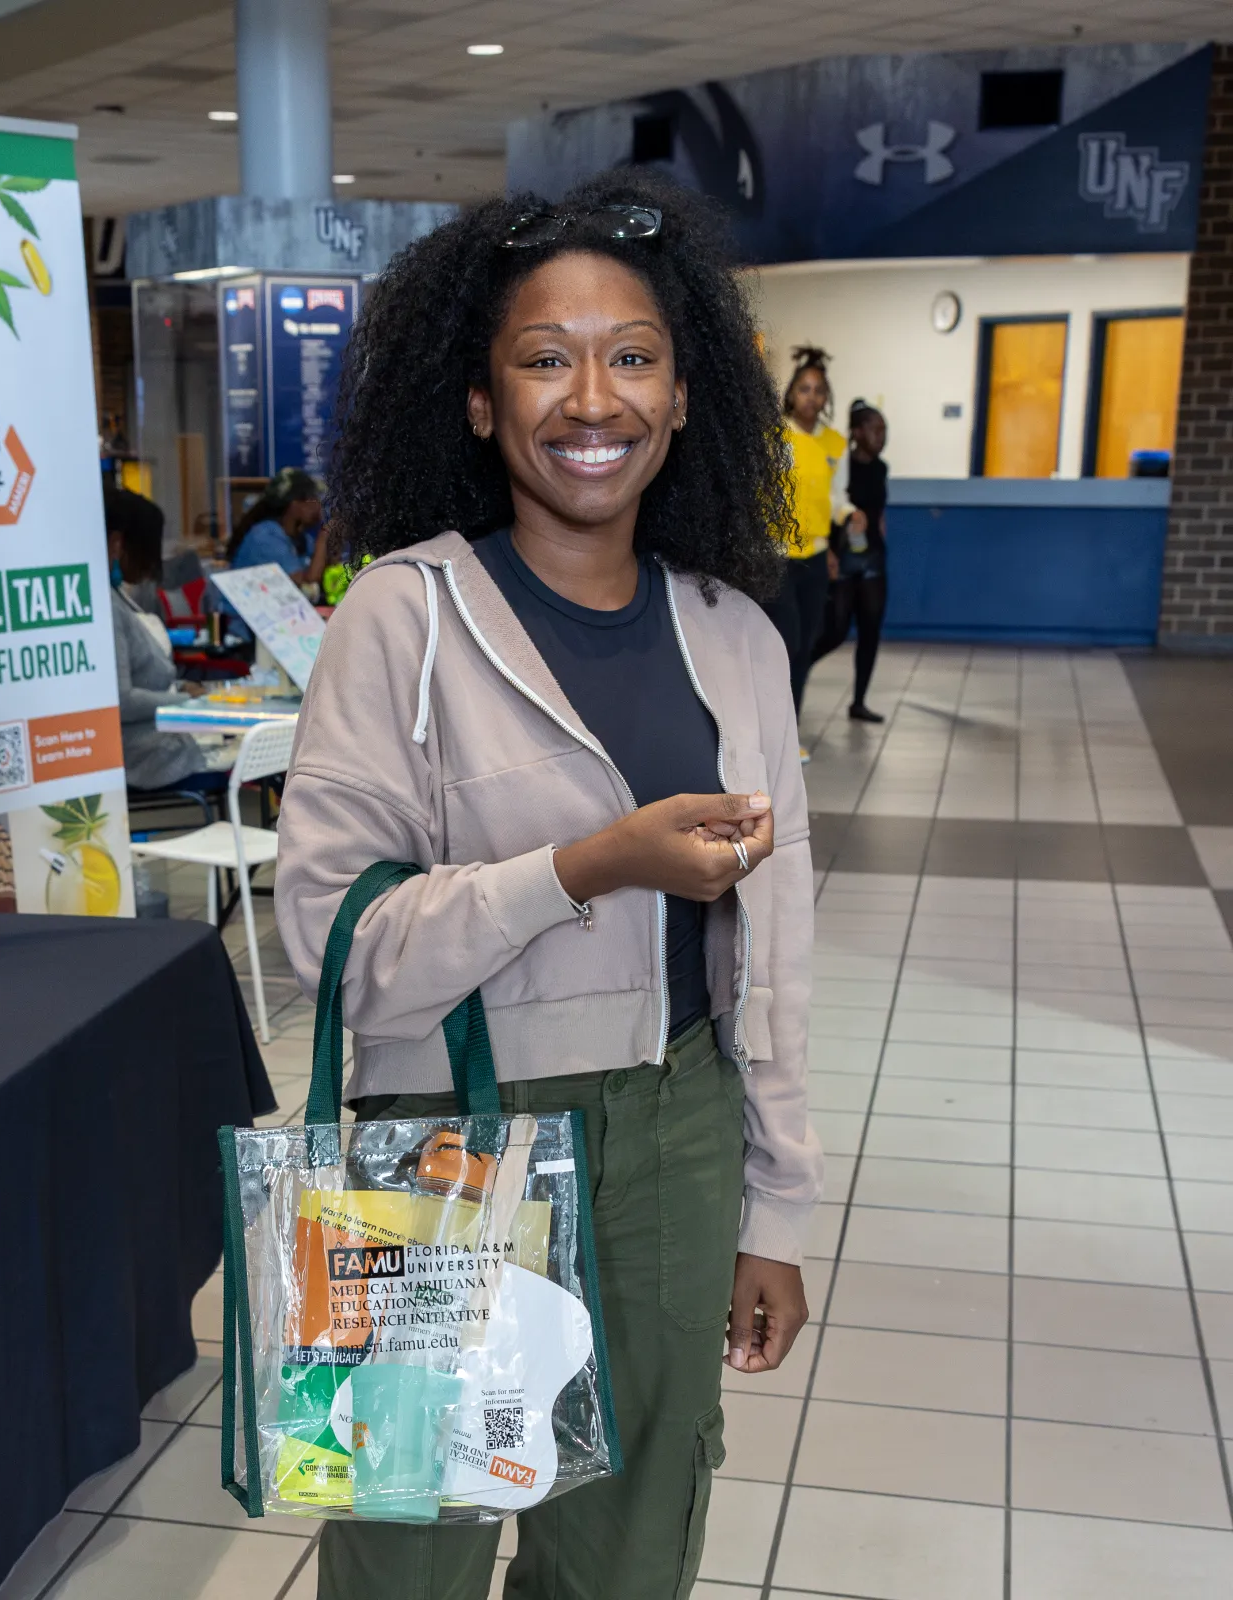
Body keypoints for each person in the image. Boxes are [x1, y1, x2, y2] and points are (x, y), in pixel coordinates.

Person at [275, 172, 820, 1600]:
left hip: (675, 1134)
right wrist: (585, 868)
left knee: (633, 1537)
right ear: (477, 402)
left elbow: (779, 954)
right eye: (545, 357)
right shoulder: (404, 615)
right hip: (444, 1132)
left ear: (687, 398)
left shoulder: (738, 642)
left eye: (633, 355)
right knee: (413, 1545)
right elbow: (334, 942)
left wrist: (777, 1211)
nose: (594, 397)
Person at [765, 346, 859, 753]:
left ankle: (790, 735)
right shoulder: (776, 437)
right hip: (776, 555)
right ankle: (771, 734)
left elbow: (838, 497)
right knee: (784, 644)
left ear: (827, 397)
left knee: (805, 645)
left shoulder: (836, 444)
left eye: (818, 391)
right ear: (791, 394)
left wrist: (851, 513)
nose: (811, 397)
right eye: (803, 389)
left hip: (816, 556)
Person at [103, 485, 208, 790]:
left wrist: (177, 690)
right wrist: (185, 701)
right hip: (141, 754)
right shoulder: (108, 607)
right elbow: (121, 700)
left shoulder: (116, 599)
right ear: (118, 543)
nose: (152, 564)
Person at [815, 399, 889, 722]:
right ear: (857, 433)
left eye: (884, 430)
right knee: (835, 630)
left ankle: (859, 702)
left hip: (872, 557)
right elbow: (832, 507)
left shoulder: (881, 467)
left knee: (871, 630)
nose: (881, 436)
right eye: (874, 429)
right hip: (843, 556)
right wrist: (830, 551)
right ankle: (793, 676)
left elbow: (879, 510)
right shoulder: (841, 464)